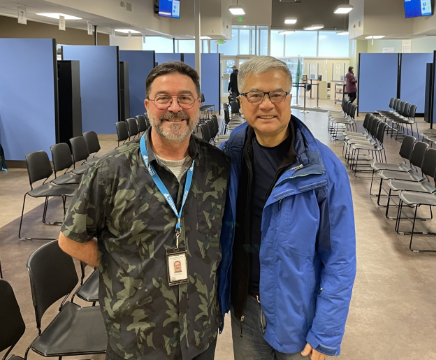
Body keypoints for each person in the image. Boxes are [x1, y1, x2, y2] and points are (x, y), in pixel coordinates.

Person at [59, 61, 230, 360]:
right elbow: (70, 239)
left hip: (199, 330)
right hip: (136, 335)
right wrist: (120, 266)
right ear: (149, 105)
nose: (174, 107)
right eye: (164, 98)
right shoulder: (110, 171)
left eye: (185, 98)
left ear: (198, 104)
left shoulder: (218, 167)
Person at [218, 56, 356, 360]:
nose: (266, 104)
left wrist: (326, 331)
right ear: (241, 101)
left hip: (297, 316)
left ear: (289, 98)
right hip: (244, 310)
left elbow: (341, 257)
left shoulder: (323, 170)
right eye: (255, 95)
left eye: (276, 94)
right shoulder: (227, 159)